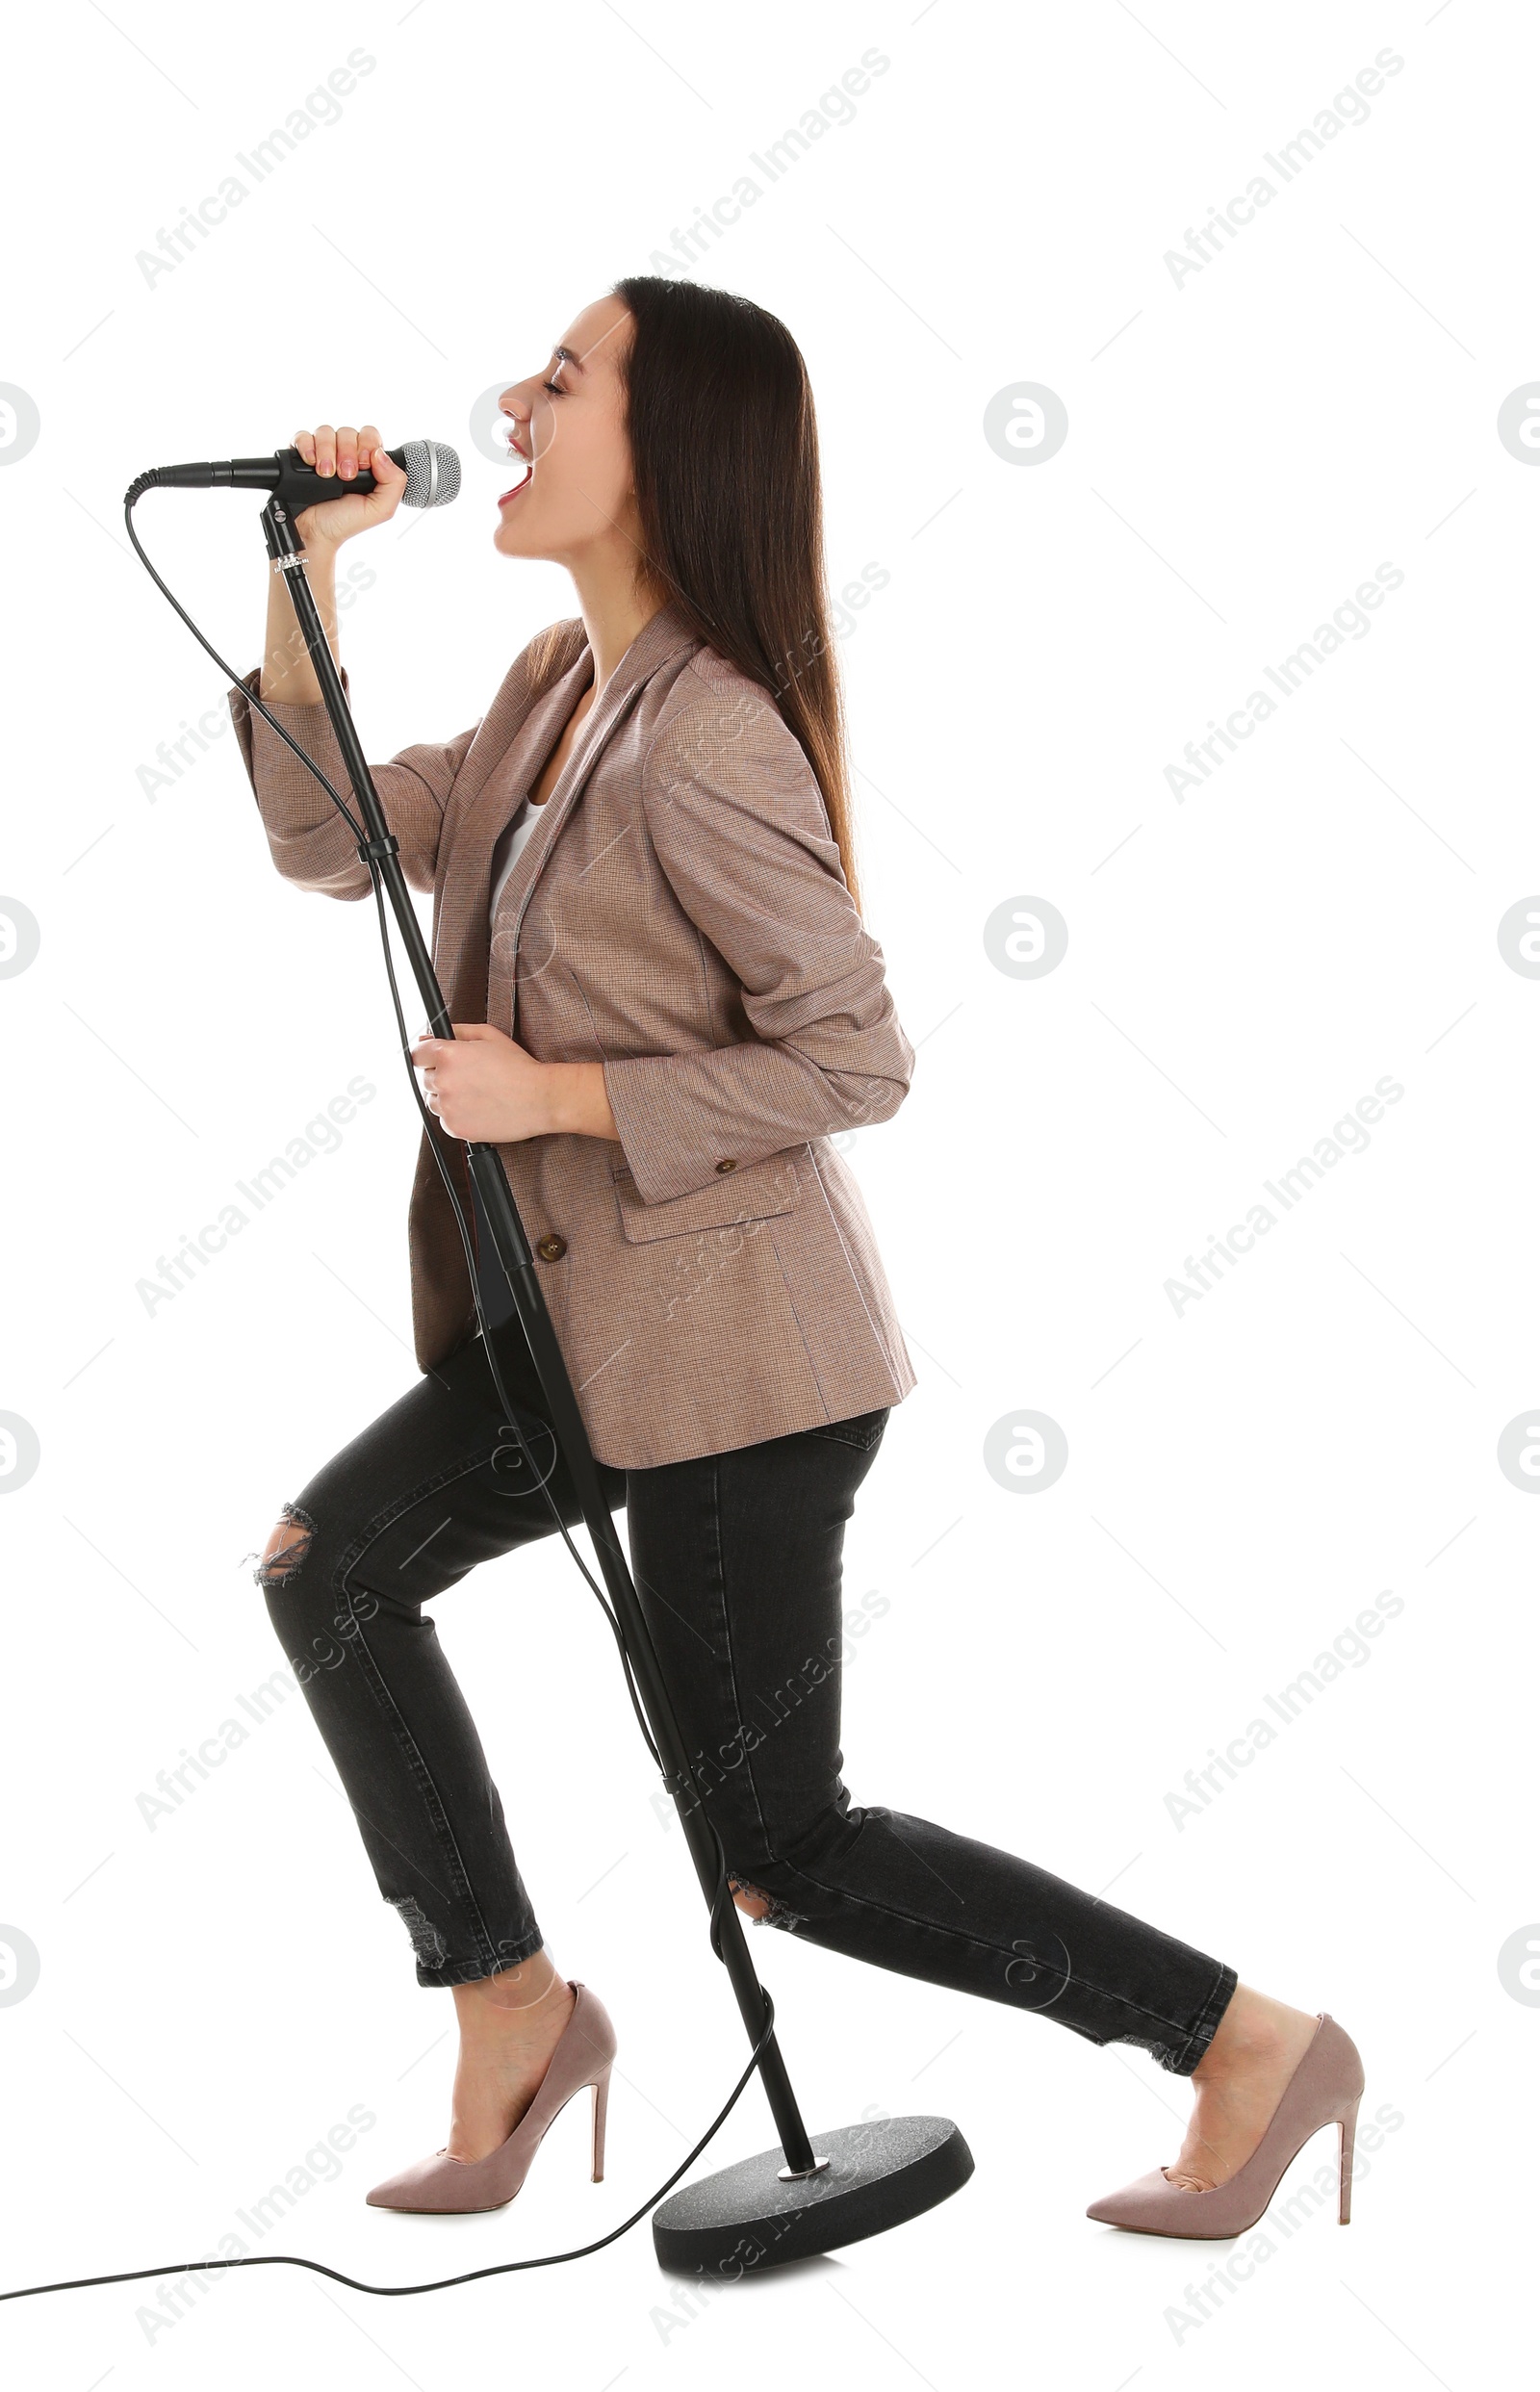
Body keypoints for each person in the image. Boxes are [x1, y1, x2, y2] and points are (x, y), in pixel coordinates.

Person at [230, 276, 1362, 2229]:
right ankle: (509, 2000)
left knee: (783, 1849)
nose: (510, 400)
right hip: (578, 1343)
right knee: (329, 1574)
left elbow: (854, 1056)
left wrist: (561, 1096)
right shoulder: (549, 690)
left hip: (741, 1370)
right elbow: (328, 839)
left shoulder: (711, 738)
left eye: (561, 379)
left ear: (664, 456)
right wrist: (300, 579)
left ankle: (1239, 2040)